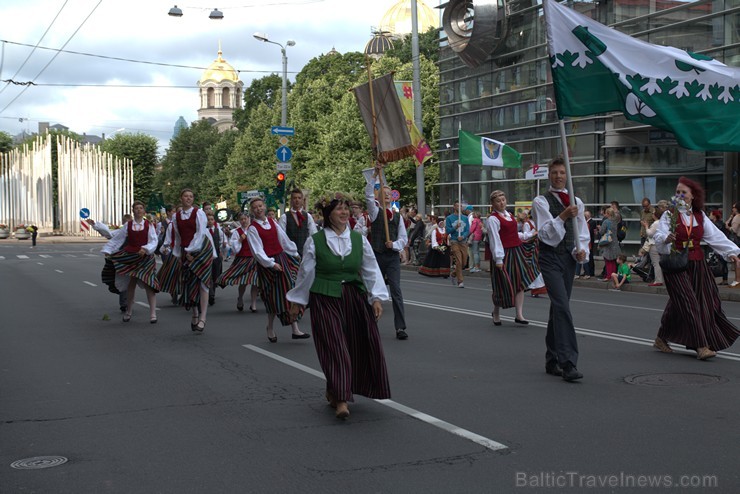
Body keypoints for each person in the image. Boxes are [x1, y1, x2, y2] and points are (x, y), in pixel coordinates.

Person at [286, 194, 391, 419]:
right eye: (338, 210)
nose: (344, 213)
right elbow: (306, 273)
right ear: (328, 214)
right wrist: (297, 302)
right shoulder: (315, 240)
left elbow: (371, 268)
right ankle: (342, 399)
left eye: (346, 209)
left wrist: (376, 297)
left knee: (357, 344)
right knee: (335, 346)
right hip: (325, 296)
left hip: (353, 295)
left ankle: (334, 388)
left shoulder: (358, 239)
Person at [653, 177, 740, 359]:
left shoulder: (700, 216)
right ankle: (701, 346)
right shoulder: (670, 214)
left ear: (693, 196)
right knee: (690, 303)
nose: (680, 195)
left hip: (698, 264)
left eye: (684, 192)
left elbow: (715, 237)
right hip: (676, 265)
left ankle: (661, 337)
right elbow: (660, 236)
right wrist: (666, 238)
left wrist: (731, 252)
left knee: (694, 302)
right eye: (677, 192)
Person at [532, 158, 590, 381]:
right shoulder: (541, 201)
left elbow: (581, 232)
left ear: (567, 176)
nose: (558, 176)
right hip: (550, 258)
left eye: (562, 173)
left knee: (558, 308)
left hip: (568, 259)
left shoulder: (576, 200)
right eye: (554, 172)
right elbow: (546, 234)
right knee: (562, 307)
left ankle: (552, 358)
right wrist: (564, 215)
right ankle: (568, 363)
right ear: (549, 175)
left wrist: (580, 249)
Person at [246, 197, 309, 342]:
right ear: (252, 211)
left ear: (264, 206)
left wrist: (294, 253)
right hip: (268, 265)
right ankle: (270, 327)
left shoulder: (272, 222)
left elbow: (284, 240)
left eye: (260, 206)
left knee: (289, 291)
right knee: (273, 297)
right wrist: (270, 263)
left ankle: (295, 329)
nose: (259, 209)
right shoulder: (253, 229)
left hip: (281, 259)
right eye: (255, 207)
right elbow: (257, 251)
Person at [363, 167, 409, 340]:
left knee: (396, 290)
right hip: (377, 256)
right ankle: (368, 324)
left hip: (391, 257)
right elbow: (368, 194)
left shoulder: (397, 217)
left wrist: (395, 244)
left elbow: (403, 238)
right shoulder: (375, 212)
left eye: (389, 192)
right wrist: (374, 176)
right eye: (384, 192)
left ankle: (400, 327)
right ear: (378, 196)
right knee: (373, 291)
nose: (387, 194)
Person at [163, 188, 216, 333]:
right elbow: (178, 236)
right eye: (186, 196)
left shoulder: (198, 213)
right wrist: (180, 253)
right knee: (190, 282)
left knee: (203, 283)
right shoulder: (176, 217)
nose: (188, 198)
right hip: (186, 250)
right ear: (181, 198)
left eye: (191, 196)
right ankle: (195, 313)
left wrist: (190, 251)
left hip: (202, 249)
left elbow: (200, 233)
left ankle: (203, 318)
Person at [101, 200, 160, 323]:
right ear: (133, 211)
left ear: (144, 211)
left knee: (149, 284)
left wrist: (146, 249)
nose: (138, 210)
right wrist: (108, 249)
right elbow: (118, 239)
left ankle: (153, 313)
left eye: (141, 208)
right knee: (130, 285)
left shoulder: (149, 225)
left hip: (145, 257)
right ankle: (128, 311)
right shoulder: (128, 225)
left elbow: (153, 241)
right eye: (136, 208)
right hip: (131, 256)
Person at [487, 191, 539, 325]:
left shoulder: (509, 215)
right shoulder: (493, 219)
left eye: (503, 200)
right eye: (498, 201)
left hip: (517, 251)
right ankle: (496, 312)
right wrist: (498, 259)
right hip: (504, 253)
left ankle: (519, 314)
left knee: (520, 282)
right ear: (493, 204)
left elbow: (514, 234)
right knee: (502, 284)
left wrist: (529, 234)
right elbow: (495, 239)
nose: (502, 203)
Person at [217, 212, 260, 312]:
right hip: (242, 259)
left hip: (254, 258)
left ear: (249, 219)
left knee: (255, 281)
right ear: (239, 221)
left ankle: (253, 304)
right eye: (242, 219)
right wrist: (240, 240)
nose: (244, 221)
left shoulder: (254, 229)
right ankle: (240, 298)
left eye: (245, 219)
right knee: (243, 282)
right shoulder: (237, 232)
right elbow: (235, 249)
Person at [87, 215, 130, 312]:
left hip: (132, 259)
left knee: (129, 280)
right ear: (124, 224)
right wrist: (95, 225)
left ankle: (127, 300)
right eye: (126, 224)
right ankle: (125, 302)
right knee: (122, 280)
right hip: (120, 259)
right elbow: (109, 234)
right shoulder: (120, 233)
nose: (128, 226)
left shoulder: (136, 232)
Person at [278, 188, 318, 257]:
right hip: (289, 254)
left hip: (305, 253)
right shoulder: (284, 217)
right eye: (294, 198)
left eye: (299, 198)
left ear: (302, 200)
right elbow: (282, 237)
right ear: (291, 200)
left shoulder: (308, 216)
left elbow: (313, 234)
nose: (297, 200)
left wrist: (309, 250)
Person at [518, 210, 547, 297]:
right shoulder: (527, 224)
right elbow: (526, 236)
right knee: (534, 266)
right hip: (531, 247)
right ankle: (534, 288)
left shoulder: (537, 223)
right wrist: (534, 233)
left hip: (537, 246)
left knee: (537, 266)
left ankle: (536, 288)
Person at [643, 200, 669, 287]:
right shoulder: (664, 222)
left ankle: (658, 280)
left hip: (654, 245)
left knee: (656, 263)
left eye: (653, 213)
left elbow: (650, 233)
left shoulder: (656, 223)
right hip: (662, 244)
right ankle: (662, 279)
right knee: (661, 263)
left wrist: (646, 226)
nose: (652, 214)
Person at [446, 201, 470, 288]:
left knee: (463, 262)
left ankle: (453, 273)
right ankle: (460, 281)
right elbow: (448, 231)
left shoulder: (465, 218)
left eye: (461, 206)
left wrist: (463, 236)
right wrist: (455, 227)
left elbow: (468, 230)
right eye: (457, 206)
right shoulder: (449, 218)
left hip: (463, 241)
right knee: (459, 261)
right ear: (454, 207)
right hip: (454, 241)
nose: (459, 207)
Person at [206, 212, 227, 305]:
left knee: (215, 274)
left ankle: (213, 290)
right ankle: (211, 294)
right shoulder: (204, 231)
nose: (210, 221)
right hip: (207, 256)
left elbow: (223, 241)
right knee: (209, 275)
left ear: (214, 221)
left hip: (217, 256)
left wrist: (223, 250)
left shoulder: (218, 230)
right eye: (208, 220)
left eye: (211, 219)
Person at [598, 208, 620, 281]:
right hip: (614, 242)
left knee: (608, 261)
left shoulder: (606, 222)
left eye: (606, 213)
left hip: (607, 243)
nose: (605, 214)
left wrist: (599, 228)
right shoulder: (615, 221)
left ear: (608, 214)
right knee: (613, 261)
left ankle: (608, 276)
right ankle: (613, 275)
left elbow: (601, 232)